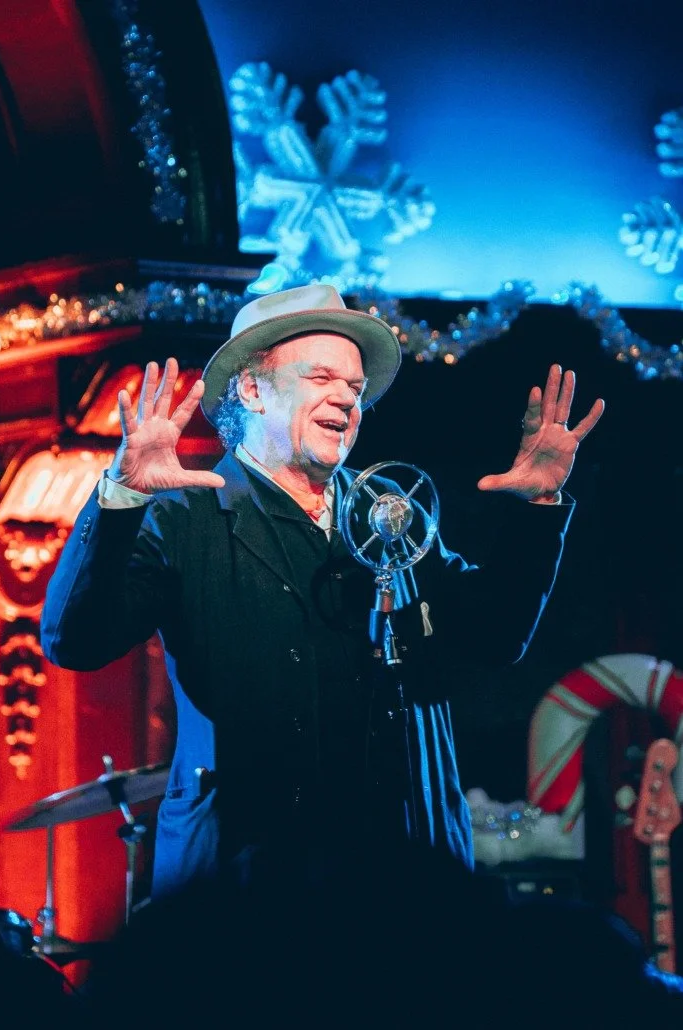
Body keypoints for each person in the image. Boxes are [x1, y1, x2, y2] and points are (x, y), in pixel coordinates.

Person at [40, 283, 604, 899]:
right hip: (250, 881)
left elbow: (496, 635)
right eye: (322, 378)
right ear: (252, 390)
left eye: (356, 388)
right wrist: (123, 497)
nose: (345, 399)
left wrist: (538, 506)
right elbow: (75, 639)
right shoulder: (187, 514)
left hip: (402, 871)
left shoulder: (389, 511)